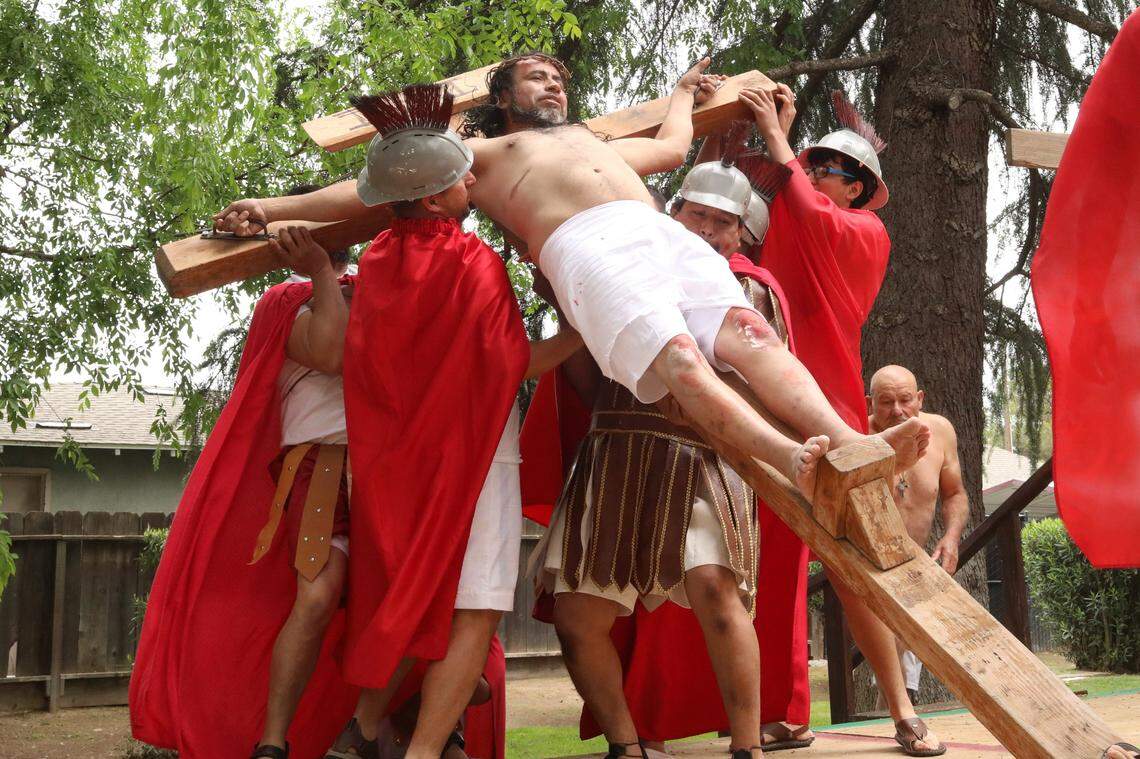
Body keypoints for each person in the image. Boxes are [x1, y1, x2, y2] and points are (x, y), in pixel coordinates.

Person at [738, 83, 945, 756]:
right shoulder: (789, 220)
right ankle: (782, 712)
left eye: (823, 165)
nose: (808, 169)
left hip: (835, 413)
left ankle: (903, 709)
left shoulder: (863, 229)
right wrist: (752, 136)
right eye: (812, 161)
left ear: (856, 188)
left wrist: (777, 134)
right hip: (775, 410)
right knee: (774, 569)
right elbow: (751, 207)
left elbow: (800, 198)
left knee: (855, 569)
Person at [130, 193, 362, 759]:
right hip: (322, 465)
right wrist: (316, 274)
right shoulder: (288, 301)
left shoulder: (382, 291)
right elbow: (331, 351)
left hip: (387, 472)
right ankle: (272, 743)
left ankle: (381, 716)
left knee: (402, 597)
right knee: (318, 595)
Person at [867, 364, 968, 703]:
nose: (897, 411)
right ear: (870, 404)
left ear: (919, 399)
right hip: (866, 565)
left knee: (909, 652)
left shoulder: (940, 431)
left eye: (905, 400)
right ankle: (900, 715)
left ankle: (902, 714)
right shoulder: (854, 435)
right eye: (886, 402)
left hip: (915, 563)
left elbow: (955, 493)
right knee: (890, 653)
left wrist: (951, 536)